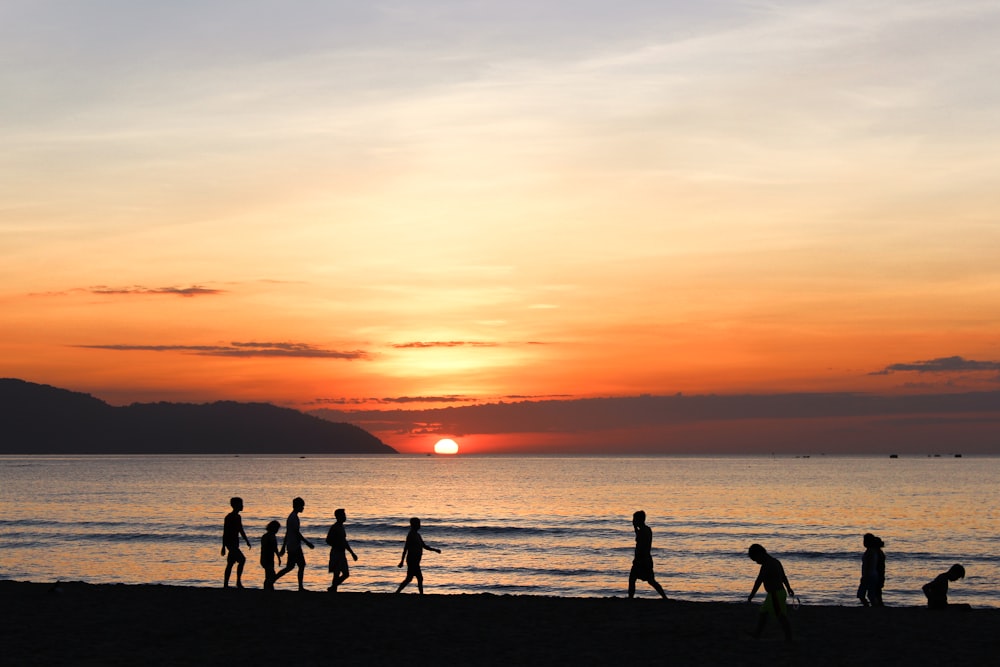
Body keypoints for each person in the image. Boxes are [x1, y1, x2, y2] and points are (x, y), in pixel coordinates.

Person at [747, 543, 795, 642]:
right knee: (763, 613)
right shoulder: (776, 562)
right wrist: (789, 588)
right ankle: (757, 634)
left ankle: (789, 638)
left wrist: (752, 595)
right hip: (776, 594)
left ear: (760, 554)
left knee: (780, 616)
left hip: (775, 595)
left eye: (756, 560)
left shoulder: (766, 565)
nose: (757, 562)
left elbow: (759, 581)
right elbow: (783, 577)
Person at [274, 497, 314, 591]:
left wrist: (284, 546)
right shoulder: (293, 518)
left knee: (291, 567)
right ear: (296, 506)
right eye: (302, 506)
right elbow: (296, 533)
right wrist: (307, 542)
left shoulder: (292, 517)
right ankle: (300, 587)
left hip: (292, 545)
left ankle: (273, 579)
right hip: (294, 546)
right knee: (300, 565)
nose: (303, 508)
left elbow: (288, 533)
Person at [628, 511, 668, 599]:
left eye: (634, 519)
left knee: (634, 579)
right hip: (646, 559)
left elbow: (641, 544)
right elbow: (639, 537)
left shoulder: (643, 531)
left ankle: (630, 598)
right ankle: (664, 597)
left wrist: (638, 559)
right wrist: (635, 527)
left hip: (642, 560)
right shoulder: (647, 530)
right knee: (649, 580)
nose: (633, 521)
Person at [395, 517, 441, 594]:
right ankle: (420, 594)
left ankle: (398, 592)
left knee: (410, 578)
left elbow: (424, 546)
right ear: (413, 525)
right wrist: (402, 561)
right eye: (418, 524)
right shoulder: (411, 535)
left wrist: (435, 550)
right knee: (418, 578)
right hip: (412, 560)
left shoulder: (417, 535)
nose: (420, 525)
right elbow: (405, 548)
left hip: (416, 560)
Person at [221, 497, 252, 588]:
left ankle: (226, 584)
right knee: (242, 560)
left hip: (234, 543)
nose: (242, 506)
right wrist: (223, 546)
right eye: (241, 504)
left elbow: (241, 530)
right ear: (235, 505)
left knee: (230, 563)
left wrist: (246, 541)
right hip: (230, 543)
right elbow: (225, 532)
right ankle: (237, 582)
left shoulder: (238, 517)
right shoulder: (229, 517)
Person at [326, 508, 358, 592]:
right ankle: (333, 589)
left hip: (341, 553)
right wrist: (336, 545)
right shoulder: (335, 527)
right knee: (337, 573)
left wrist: (352, 553)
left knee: (345, 574)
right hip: (336, 552)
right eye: (343, 515)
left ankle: (333, 588)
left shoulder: (341, 527)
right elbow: (328, 540)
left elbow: (344, 542)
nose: (345, 516)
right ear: (338, 517)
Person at [857, 533, 886, 607]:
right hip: (871, 575)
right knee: (870, 594)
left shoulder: (871, 552)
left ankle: (872, 607)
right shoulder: (874, 551)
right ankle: (873, 607)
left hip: (869, 575)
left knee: (865, 594)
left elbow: (869, 565)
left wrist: (864, 576)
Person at [260, 520, 282, 590]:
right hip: (268, 558)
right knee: (271, 575)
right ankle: (268, 588)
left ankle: (268, 588)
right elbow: (274, 548)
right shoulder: (272, 536)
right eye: (277, 528)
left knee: (268, 575)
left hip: (264, 558)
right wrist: (279, 557)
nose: (277, 530)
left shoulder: (264, 536)